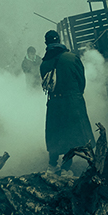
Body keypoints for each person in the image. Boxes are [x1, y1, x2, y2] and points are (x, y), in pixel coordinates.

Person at [39, 30, 94, 175]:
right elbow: (81, 81)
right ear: (60, 40)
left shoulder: (44, 64)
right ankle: (77, 166)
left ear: (46, 43)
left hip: (54, 102)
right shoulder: (71, 57)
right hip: (73, 100)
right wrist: (77, 95)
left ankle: (52, 166)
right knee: (78, 133)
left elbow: (47, 86)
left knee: (55, 133)